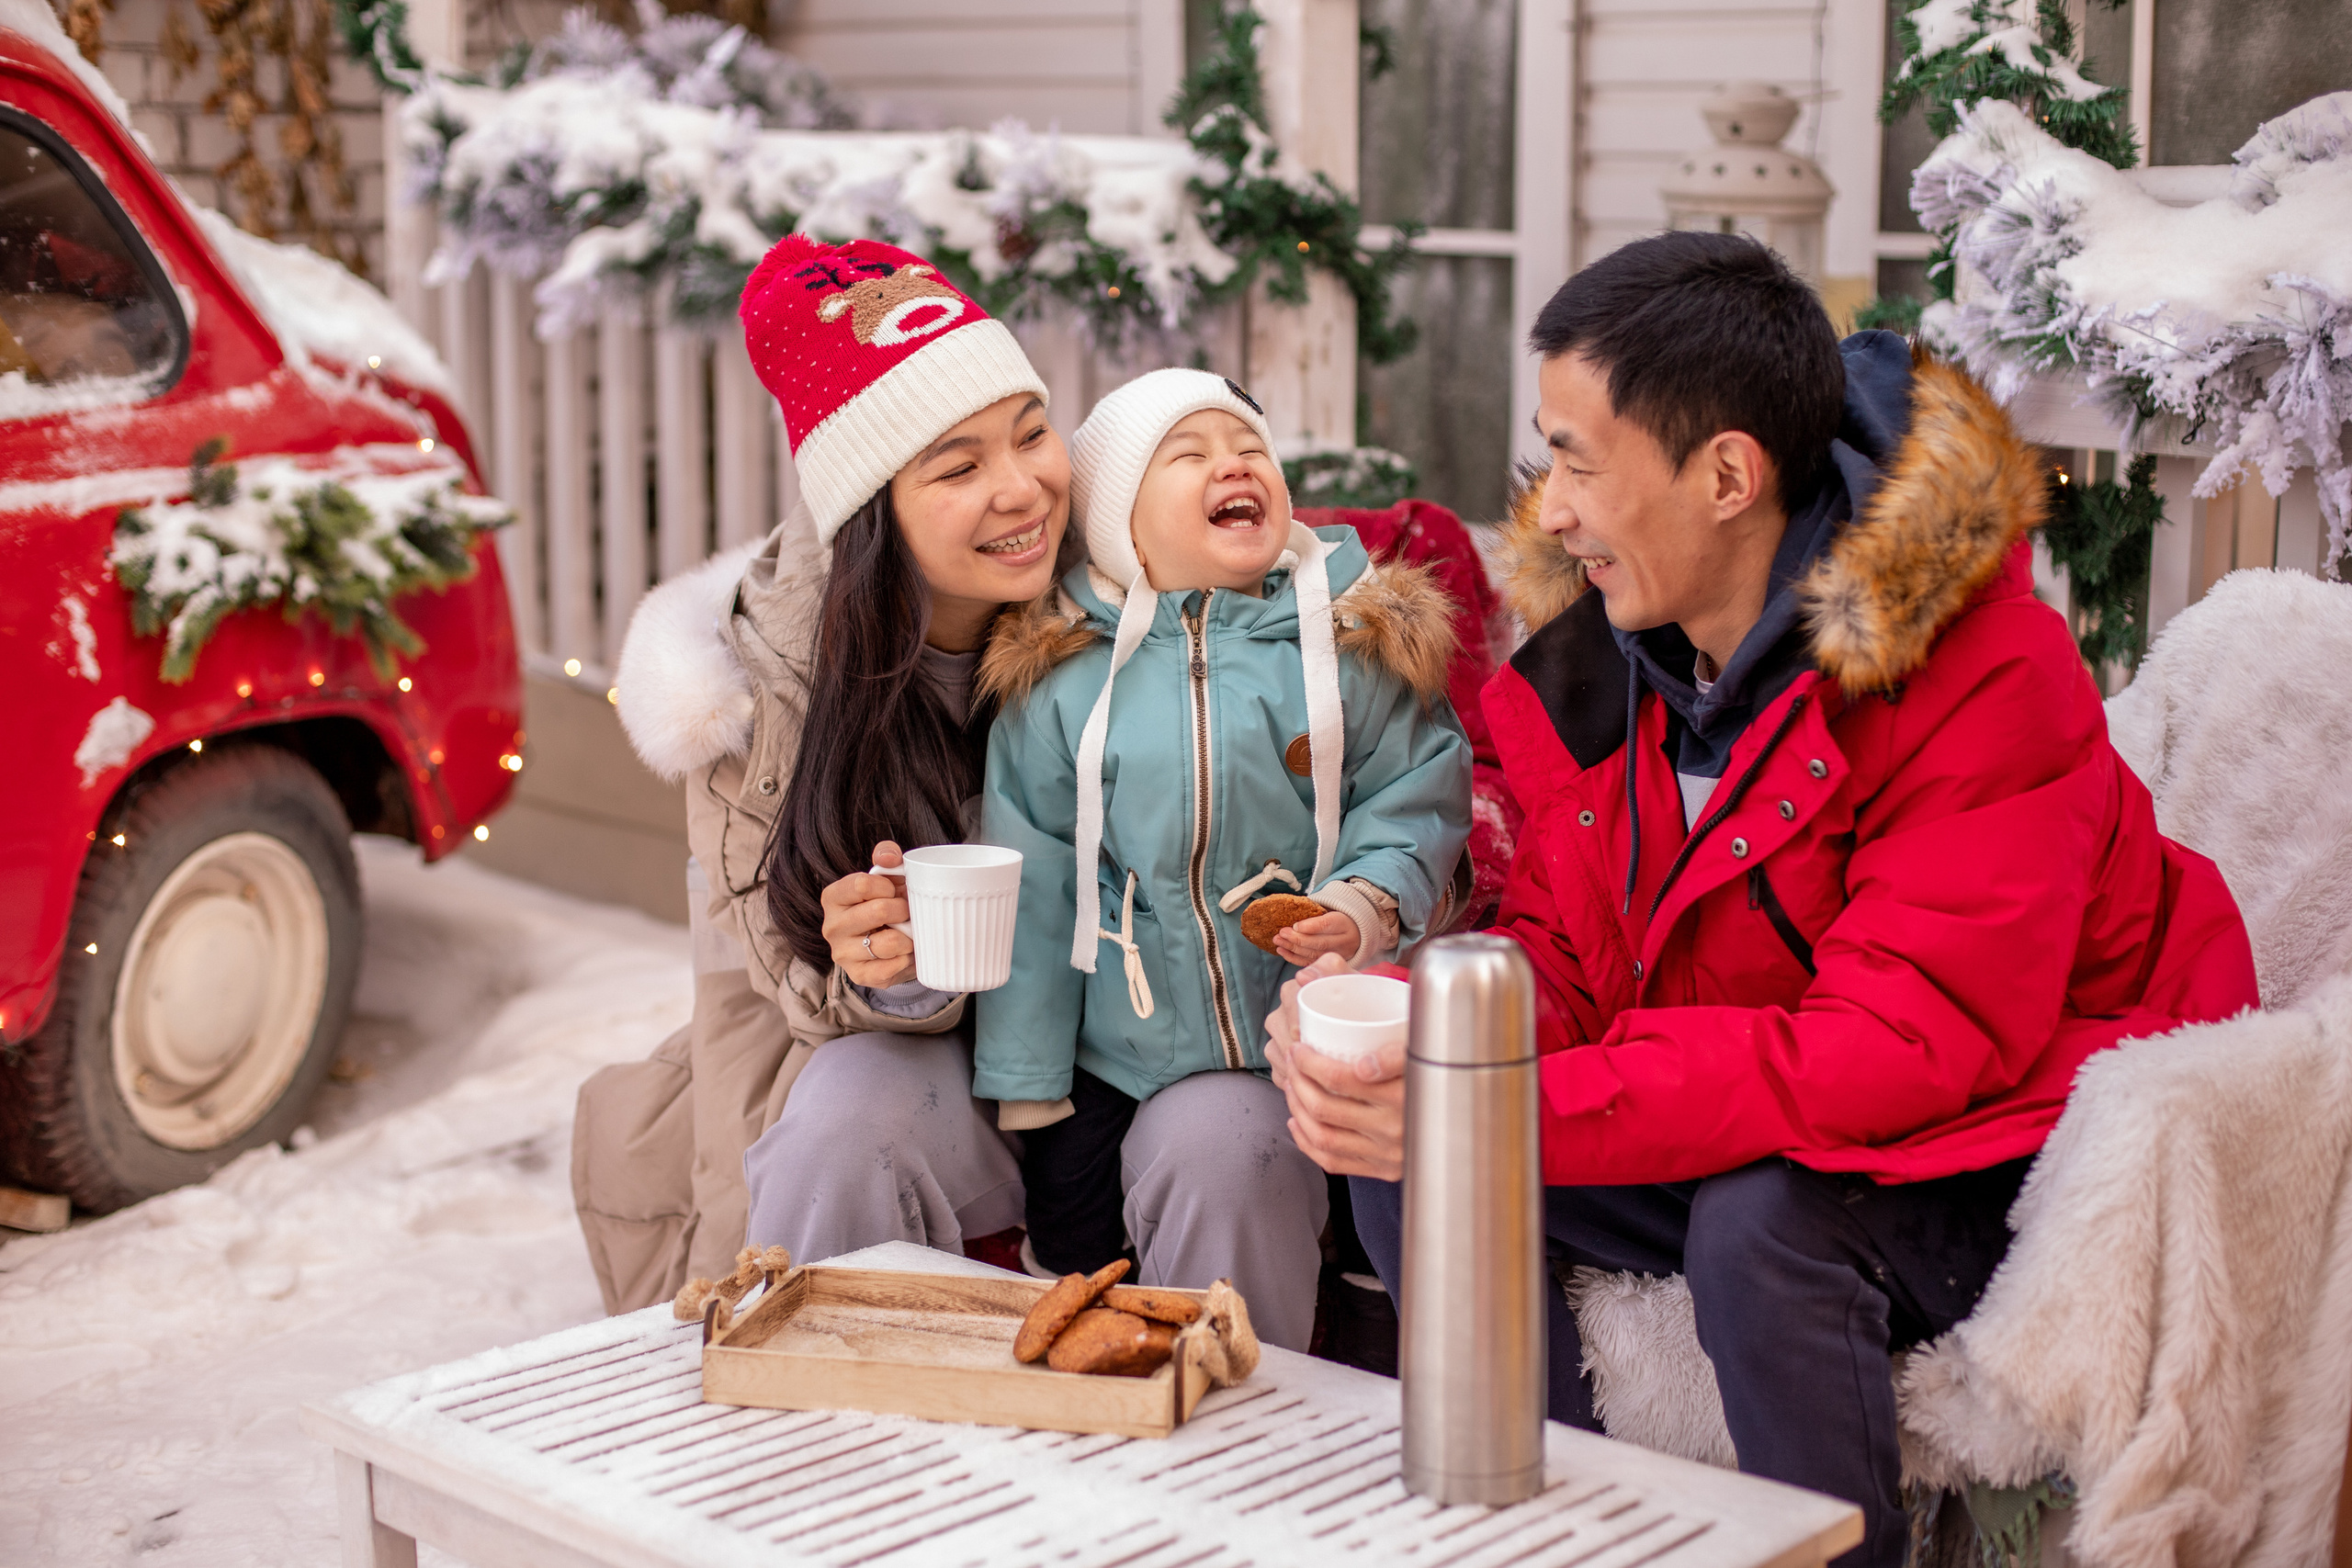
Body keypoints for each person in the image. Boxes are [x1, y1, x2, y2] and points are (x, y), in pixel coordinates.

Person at [1263, 231, 2258, 1566]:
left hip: (2017, 1129)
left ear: (1727, 475)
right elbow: (1569, 955)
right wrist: (1419, 1032)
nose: (1550, 513)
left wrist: (1504, 1095)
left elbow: (1895, 1050)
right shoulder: (1615, 667)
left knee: (1758, 1227)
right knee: (1423, 1148)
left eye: (1578, 462)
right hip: (1769, 1103)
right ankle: (1546, 1534)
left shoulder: (1980, 674)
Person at [572, 233, 1069, 1313]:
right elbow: (791, 987)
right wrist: (885, 967)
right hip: (906, 1063)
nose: (1023, 488)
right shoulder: (760, 692)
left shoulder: (1113, 592)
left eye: (1033, 434)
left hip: (1114, 1036)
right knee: (850, 1122)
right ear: (872, 509)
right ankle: (810, 1400)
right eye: (959, 467)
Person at [972, 370, 1474, 1335]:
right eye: (1189, 454)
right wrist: (1028, 1083)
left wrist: (1363, 904)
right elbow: (1034, 888)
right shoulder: (1064, 682)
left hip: (1305, 1034)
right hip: (1115, 1048)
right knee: (1071, 1248)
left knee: (1371, 1237)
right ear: (1123, 524)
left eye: (1249, 449)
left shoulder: (1350, 645)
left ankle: (1348, 1355)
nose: (1233, 465)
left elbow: (1417, 795)